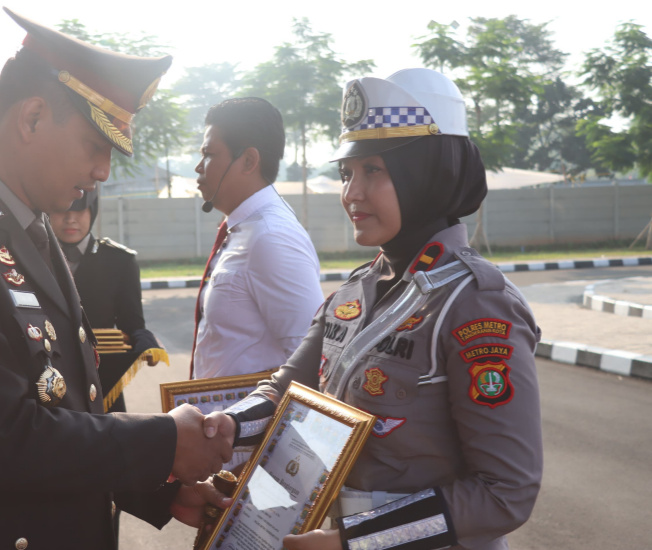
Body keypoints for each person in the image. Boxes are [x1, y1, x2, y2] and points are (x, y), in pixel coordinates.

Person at [0, 9, 233, 549]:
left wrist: (155, 491)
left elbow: (67, 406)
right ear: (31, 119)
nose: (102, 172)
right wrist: (163, 442)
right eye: (96, 146)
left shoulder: (31, 228)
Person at [211, 69, 543, 550]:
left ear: (429, 174)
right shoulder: (354, 292)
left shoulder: (474, 304)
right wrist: (228, 426)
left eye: (374, 172)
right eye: (347, 173)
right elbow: (288, 390)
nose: (351, 194)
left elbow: (506, 493)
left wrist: (355, 540)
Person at [190, 98, 324, 380]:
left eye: (209, 154)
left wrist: (247, 420)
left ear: (249, 160)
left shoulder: (271, 237)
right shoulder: (243, 228)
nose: (199, 167)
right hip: (221, 420)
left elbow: (311, 359)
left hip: (250, 423)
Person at [49, 189, 161, 413]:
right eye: (62, 210)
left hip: (102, 379)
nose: (71, 218)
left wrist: (144, 340)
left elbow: (133, 324)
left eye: (80, 210)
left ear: (92, 212)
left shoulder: (119, 261)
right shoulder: (32, 257)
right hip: (49, 379)